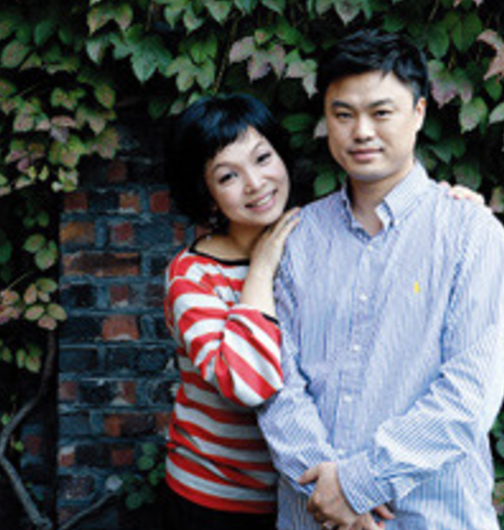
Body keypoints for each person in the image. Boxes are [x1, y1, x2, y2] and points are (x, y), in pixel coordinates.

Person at [257, 28, 504, 530]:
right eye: (343, 114)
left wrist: (359, 484)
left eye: (381, 112)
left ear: (419, 112)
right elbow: (276, 380)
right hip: (313, 514)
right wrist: (328, 493)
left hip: (433, 516)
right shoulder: (300, 236)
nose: (361, 131)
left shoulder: (470, 233)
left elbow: (470, 393)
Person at [162, 93, 300, 530]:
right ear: (207, 195)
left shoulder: (313, 240)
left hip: (302, 495)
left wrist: (457, 204)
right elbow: (247, 383)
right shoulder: (192, 277)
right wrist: (260, 269)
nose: (255, 183)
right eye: (228, 176)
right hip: (216, 498)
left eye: (262, 158)